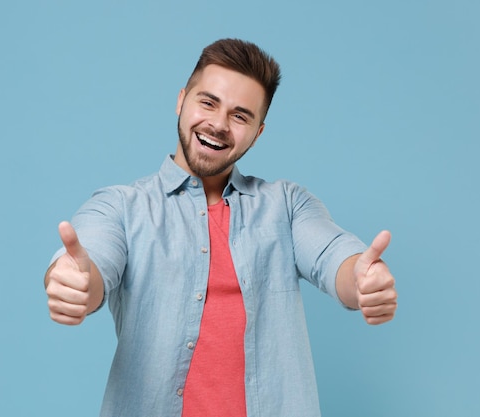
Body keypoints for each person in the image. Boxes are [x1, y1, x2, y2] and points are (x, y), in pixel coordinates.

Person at [44, 38, 398, 417]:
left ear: (258, 132)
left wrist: (361, 282)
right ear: (182, 100)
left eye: (240, 115)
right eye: (208, 102)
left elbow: (333, 258)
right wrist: (74, 283)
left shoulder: (287, 205)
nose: (218, 124)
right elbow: (91, 263)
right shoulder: (121, 206)